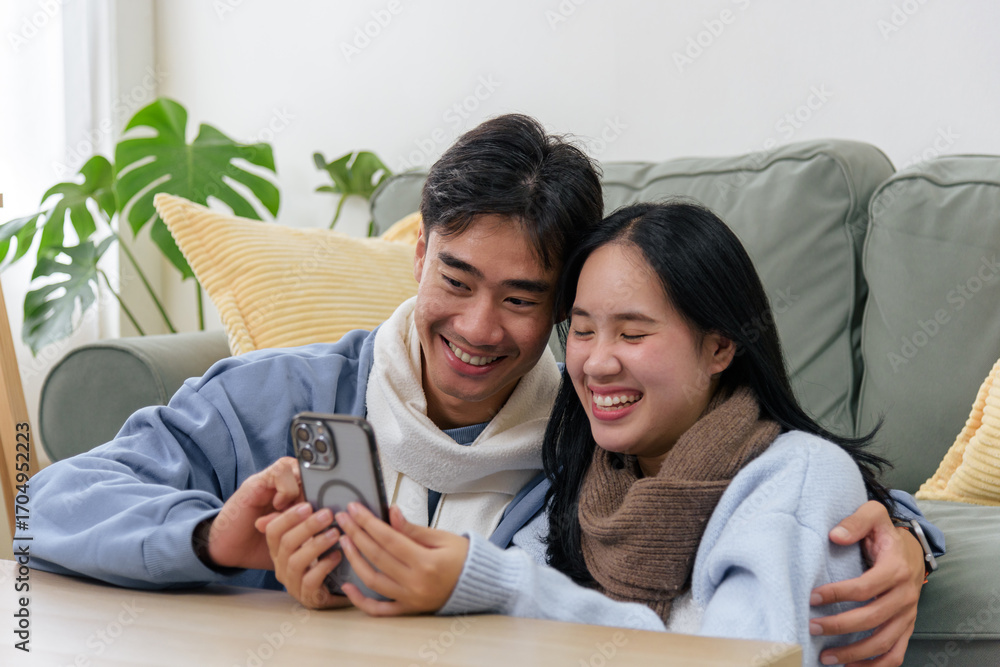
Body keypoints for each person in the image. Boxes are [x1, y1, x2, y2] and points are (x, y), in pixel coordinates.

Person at [21, 117, 936, 664]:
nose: (479, 328)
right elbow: (46, 505)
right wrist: (219, 542)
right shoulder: (284, 394)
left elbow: (756, 476)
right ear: (417, 253)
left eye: (525, 299)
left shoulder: (592, 439)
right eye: (455, 281)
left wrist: (900, 532)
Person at [318, 201, 940, 666]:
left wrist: (496, 584)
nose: (595, 363)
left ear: (720, 344)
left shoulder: (794, 474)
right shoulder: (580, 482)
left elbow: (740, 657)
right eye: (583, 330)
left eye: (633, 334)